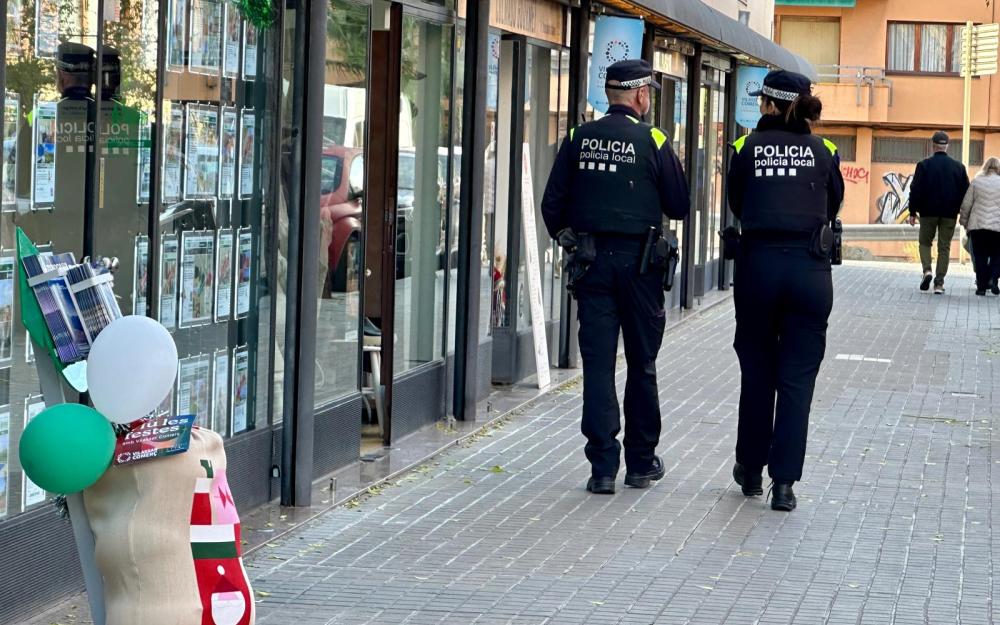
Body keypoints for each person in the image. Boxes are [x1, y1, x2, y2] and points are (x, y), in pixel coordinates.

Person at [541, 59, 689, 495]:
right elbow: (679, 205)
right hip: (641, 268)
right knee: (641, 364)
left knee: (599, 366)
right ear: (642, 96)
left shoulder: (577, 137)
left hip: (592, 265)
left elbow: (552, 206)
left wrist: (573, 239)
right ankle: (641, 464)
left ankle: (602, 467)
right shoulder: (654, 139)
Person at [727, 69, 844, 512]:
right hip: (809, 273)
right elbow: (832, 203)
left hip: (758, 269)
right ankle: (785, 484)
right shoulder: (826, 150)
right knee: (797, 381)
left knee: (757, 373)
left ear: (768, 104)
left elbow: (737, 202)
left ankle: (751, 470)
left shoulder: (744, 148)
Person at [908, 131, 970, 294]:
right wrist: (963, 213)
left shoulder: (923, 165)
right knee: (944, 247)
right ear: (947, 146)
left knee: (924, 243)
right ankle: (939, 283)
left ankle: (927, 270)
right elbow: (966, 193)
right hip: (949, 213)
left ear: (933, 145)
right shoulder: (959, 167)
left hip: (928, 212)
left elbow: (915, 189)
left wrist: (912, 212)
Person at [959, 156, 1000, 296]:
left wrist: (964, 222)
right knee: (997, 255)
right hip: (997, 228)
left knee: (980, 256)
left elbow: (966, 204)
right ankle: (994, 279)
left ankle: (981, 288)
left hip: (978, 227)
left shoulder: (977, 182)